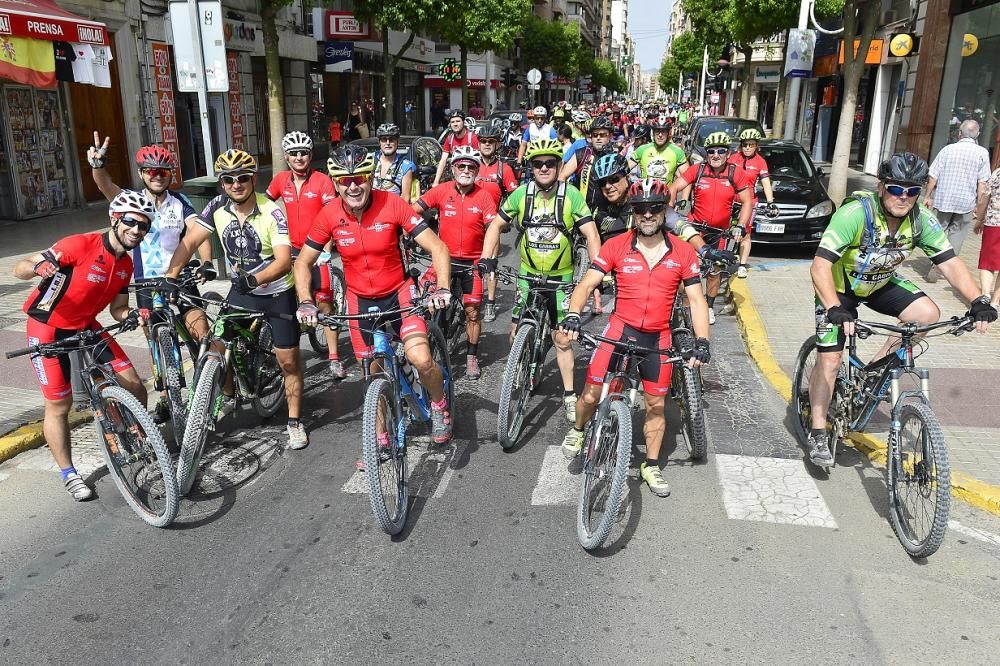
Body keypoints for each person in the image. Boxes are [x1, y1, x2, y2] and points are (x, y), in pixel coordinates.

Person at [806, 152, 997, 467]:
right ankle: (816, 431)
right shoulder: (856, 214)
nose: (904, 197)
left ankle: (873, 371)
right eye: (896, 189)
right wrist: (833, 307)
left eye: (912, 191)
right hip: (839, 289)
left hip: (879, 284)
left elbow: (949, 262)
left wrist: (979, 300)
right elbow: (819, 266)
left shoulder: (921, 219)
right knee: (830, 359)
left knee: (927, 315)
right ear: (882, 187)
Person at [558, 179, 711, 497]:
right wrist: (574, 314)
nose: (648, 214)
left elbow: (696, 300)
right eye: (641, 209)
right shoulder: (616, 246)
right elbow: (586, 285)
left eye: (655, 208)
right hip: (620, 329)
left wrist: (702, 341)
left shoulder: (682, 252)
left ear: (664, 210)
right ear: (633, 213)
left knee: (656, 404)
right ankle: (578, 430)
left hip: (658, 338)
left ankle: (651, 465)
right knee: (589, 395)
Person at [295, 145, 455, 445]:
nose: (353, 186)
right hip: (360, 300)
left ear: (370, 178)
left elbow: (438, 248)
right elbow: (303, 262)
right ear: (336, 182)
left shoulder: (392, 204)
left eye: (360, 179)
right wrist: (306, 300)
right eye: (345, 180)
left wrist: (443, 286)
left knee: (420, 359)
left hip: (399, 293)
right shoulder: (328, 214)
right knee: (372, 374)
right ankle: (380, 439)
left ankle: (439, 405)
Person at [163, 149, 309, 450]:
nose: (236, 184)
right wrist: (170, 277)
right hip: (242, 293)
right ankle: (228, 395)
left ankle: (294, 421)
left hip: (277, 292)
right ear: (222, 184)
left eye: (242, 178)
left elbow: (283, 260)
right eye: (228, 180)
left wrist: (256, 279)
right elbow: (190, 241)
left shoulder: (272, 211)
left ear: (253, 179)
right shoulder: (217, 206)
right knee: (218, 345)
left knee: (289, 362)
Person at [14, 190, 155, 501]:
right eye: (131, 222)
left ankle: (137, 436)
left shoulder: (125, 265)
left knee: (134, 384)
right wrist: (37, 268)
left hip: (86, 325)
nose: (136, 230)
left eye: (144, 226)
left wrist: (131, 314)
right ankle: (69, 474)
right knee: (59, 405)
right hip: (47, 327)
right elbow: (20, 267)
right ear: (115, 219)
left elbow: (118, 309)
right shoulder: (78, 245)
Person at [87, 135, 214, 423]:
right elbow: (106, 185)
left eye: (163, 172)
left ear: (170, 175)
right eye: (151, 171)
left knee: (201, 333)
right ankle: (169, 399)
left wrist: (206, 262)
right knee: (158, 344)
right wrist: (98, 165)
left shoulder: (180, 202)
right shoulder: (133, 201)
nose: (157, 176)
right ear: (143, 174)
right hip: (147, 284)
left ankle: (206, 385)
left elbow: (198, 234)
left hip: (179, 279)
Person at [478, 138, 601, 422]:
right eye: (538, 164)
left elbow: (592, 235)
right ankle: (521, 368)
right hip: (527, 277)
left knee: (562, 339)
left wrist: (596, 275)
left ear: (559, 166)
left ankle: (570, 395)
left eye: (550, 163)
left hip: (561, 281)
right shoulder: (521, 195)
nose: (544, 168)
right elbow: (496, 224)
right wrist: (488, 257)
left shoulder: (571, 196)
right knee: (514, 330)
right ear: (531, 167)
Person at [265, 131, 346, 379]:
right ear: (287, 157)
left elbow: (333, 213)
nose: (299, 157)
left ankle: (334, 357)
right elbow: (263, 207)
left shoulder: (322, 180)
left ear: (310, 156)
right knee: (284, 303)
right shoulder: (280, 180)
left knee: (324, 303)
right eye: (294, 154)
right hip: (291, 251)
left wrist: (327, 250)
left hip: (318, 251)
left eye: (303, 153)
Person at [412, 147, 497, 379]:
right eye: (462, 166)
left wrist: (489, 257)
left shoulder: (484, 196)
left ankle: (471, 357)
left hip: (472, 263)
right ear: (453, 168)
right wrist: (414, 232)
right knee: (423, 300)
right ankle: (424, 344)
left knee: (472, 312)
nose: (466, 170)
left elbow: (493, 229)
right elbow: (412, 212)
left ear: (477, 170)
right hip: (444, 260)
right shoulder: (441, 190)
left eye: (471, 167)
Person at [669, 132, 753, 324]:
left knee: (716, 270)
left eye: (721, 151)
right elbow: (674, 187)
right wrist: (671, 206)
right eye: (711, 151)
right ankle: (686, 302)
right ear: (706, 153)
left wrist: (740, 225)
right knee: (685, 268)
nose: (716, 155)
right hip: (695, 228)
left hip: (720, 232)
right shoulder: (697, 170)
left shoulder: (735, 172)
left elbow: (747, 201)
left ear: (728, 153)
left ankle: (708, 306)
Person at [922, 119, 992, 282]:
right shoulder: (982, 153)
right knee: (957, 235)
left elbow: (933, 175)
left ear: (959, 133)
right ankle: (944, 266)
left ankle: (935, 261)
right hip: (966, 202)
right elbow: (982, 182)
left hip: (944, 199)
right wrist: (979, 204)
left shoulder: (948, 150)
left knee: (936, 232)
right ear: (977, 135)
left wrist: (927, 196)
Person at [474, 124, 520, 323]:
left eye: (490, 142)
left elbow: (515, 196)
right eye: (483, 141)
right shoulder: (469, 163)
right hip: (468, 223)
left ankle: (491, 303)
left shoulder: (504, 168)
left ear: (497, 144)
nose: (486, 145)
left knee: (491, 264)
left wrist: (507, 218)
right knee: (467, 263)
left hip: (491, 226)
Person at [728, 128, 779, 278]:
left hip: (749, 203)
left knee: (745, 233)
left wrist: (770, 202)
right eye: (745, 145)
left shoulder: (760, 162)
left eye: (751, 145)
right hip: (731, 201)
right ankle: (722, 258)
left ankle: (742, 265)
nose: (748, 148)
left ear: (756, 146)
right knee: (724, 230)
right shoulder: (733, 158)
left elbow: (765, 182)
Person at [560, 115, 616, 210]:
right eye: (595, 135)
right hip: (581, 210)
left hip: (606, 211)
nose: (598, 138)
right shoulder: (582, 153)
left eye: (602, 135)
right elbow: (562, 177)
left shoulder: (615, 157)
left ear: (610, 136)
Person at [628, 116, 687, 184]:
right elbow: (624, 170)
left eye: (663, 132)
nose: (660, 135)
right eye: (657, 131)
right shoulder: (642, 149)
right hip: (645, 193)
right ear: (652, 133)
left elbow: (686, 179)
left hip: (667, 193)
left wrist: (677, 192)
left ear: (668, 133)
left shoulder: (677, 152)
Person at [433, 109, 480, 187]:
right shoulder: (449, 139)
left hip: (470, 177)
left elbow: (480, 161)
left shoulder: (473, 138)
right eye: (452, 122)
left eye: (458, 121)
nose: (455, 124)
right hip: (456, 177)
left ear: (463, 122)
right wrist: (436, 181)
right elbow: (443, 160)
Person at [974, 165, 1000, 301]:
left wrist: (979, 219)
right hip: (994, 223)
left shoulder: (997, 174)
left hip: (994, 223)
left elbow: (985, 199)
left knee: (987, 263)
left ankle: (985, 295)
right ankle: (995, 302)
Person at [372, 122, 416, 203]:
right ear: (379, 142)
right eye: (384, 140)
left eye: (391, 139)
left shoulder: (405, 166)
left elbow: (405, 199)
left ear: (398, 142)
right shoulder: (370, 160)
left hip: (393, 211)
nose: (388, 143)